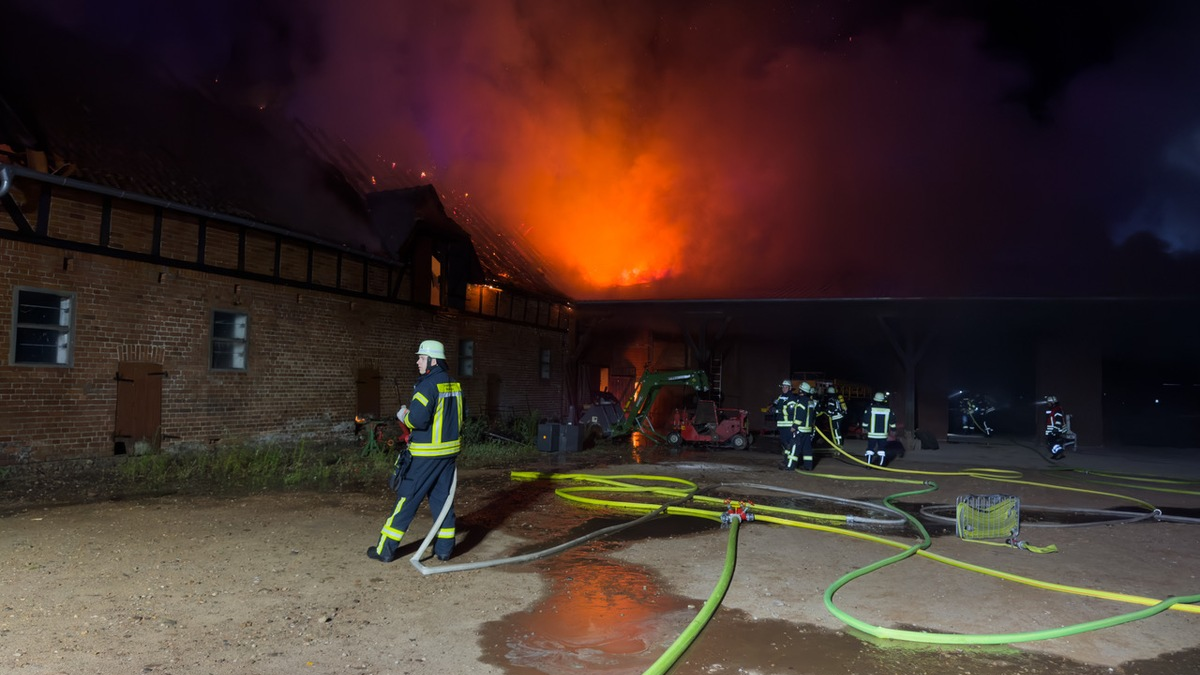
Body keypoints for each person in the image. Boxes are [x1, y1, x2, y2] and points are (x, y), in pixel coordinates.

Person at [368, 339, 465, 563]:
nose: (417, 362)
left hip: (425, 456)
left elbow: (418, 421)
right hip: (448, 456)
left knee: (407, 499)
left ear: (432, 361)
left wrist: (403, 415)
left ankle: (385, 550)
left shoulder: (427, 385)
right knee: (443, 502)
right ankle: (444, 550)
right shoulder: (454, 384)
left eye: (421, 358)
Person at [783, 381, 819, 470]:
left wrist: (794, 426)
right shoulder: (810, 401)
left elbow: (800, 415)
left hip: (800, 429)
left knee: (794, 448)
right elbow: (813, 414)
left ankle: (790, 467)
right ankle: (808, 467)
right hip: (808, 429)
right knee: (807, 449)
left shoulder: (801, 401)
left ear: (801, 391)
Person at [768, 379, 797, 468]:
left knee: (789, 444)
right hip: (781, 425)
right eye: (783, 387)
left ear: (790, 388)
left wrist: (776, 410)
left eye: (786, 387)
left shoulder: (791, 397)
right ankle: (786, 460)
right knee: (785, 445)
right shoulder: (781, 396)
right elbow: (776, 404)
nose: (784, 388)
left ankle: (790, 462)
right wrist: (772, 407)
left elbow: (790, 411)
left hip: (788, 425)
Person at [862, 391, 896, 466]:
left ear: (875, 399)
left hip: (872, 434)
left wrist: (864, 428)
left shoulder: (870, 409)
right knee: (882, 450)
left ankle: (868, 464)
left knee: (870, 449)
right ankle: (881, 465)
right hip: (883, 434)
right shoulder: (888, 410)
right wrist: (893, 430)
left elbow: (865, 420)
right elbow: (892, 421)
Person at [1044, 395, 1067, 460]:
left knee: (1052, 443)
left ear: (1052, 403)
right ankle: (1056, 454)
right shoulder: (1053, 409)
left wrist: (1055, 430)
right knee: (1052, 443)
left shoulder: (1057, 410)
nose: (1048, 404)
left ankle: (1060, 453)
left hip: (1056, 430)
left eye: (1049, 403)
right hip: (1053, 430)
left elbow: (1058, 421)